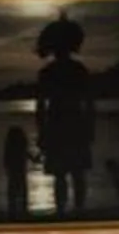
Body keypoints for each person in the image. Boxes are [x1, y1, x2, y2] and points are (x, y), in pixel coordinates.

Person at [32, 14, 96, 216]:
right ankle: (77, 210)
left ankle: (65, 211)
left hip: (59, 124)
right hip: (72, 124)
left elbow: (41, 105)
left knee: (64, 174)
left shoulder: (49, 72)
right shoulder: (78, 70)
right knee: (76, 173)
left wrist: (42, 130)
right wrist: (90, 127)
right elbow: (89, 103)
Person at [2, 123, 33, 217]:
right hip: (20, 169)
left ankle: (13, 208)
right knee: (22, 187)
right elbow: (28, 154)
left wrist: (6, 166)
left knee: (13, 188)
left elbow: (6, 158)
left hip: (14, 169)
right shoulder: (21, 145)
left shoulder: (10, 147)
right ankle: (23, 207)